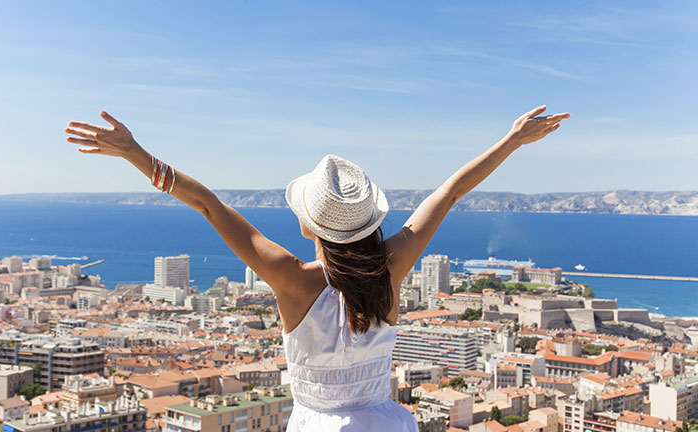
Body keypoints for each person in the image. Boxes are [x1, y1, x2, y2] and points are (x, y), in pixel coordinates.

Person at [65, 105, 570, 431]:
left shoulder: (294, 280)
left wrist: (136, 154)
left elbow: (209, 206)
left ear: (311, 226)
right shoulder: (391, 269)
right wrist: (512, 140)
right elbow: (450, 191)